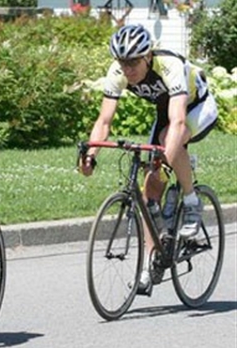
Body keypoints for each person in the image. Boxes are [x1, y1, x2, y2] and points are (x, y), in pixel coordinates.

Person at [79, 24, 218, 294]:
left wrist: (165, 159)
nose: (127, 69)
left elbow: (178, 121)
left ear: (147, 56)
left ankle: (191, 201)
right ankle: (149, 264)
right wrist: (91, 155)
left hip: (197, 107)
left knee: (169, 140)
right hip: (167, 111)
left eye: (133, 62)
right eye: (122, 62)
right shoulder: (117, 72)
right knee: (148, 192)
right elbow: (104, 120)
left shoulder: (169, 65)